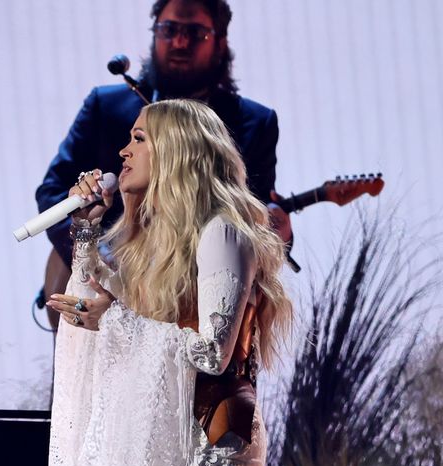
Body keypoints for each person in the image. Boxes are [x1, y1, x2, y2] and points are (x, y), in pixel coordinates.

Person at [44, 99, 293, 466]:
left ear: (177, 152)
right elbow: (92, 304)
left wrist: (112, 320)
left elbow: (211, 351)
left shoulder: (225, 234)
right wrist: (87, 225)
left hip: (220, 441)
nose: (122, 151)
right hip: (178, 435)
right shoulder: (160, 238)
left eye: (138, 139)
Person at [36, 0, 290, 328]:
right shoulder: (105, 105)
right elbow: (53, 191)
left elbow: (255, 215)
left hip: (190, 293)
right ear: (155, 32)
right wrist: (102, 256)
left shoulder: (254, 122)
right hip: (102, 276)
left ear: (221, 42)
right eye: (170, 30)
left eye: (194, 33)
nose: (180, 42)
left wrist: (276, 231)